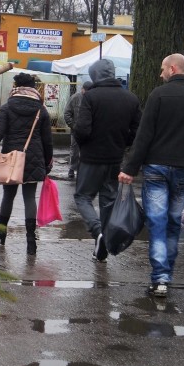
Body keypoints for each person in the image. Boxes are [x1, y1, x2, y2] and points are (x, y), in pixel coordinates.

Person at [118, 53, 184, 298]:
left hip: (156, 168)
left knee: (157, 222)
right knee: (173, 222)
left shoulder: (158, 96)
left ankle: (160, 278)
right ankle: (165, 274)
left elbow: (145, 135)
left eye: (162, 69)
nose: (160, 75)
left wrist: (129, 168)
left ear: (172, 69)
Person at [73, 58, 141, 262]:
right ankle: (102, 248)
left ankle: (97, 232)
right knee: (108, 200)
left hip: (91, 158)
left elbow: (82, 129)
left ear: (95, 75)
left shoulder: (91, 97)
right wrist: (123, 142)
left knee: (83, 197)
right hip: (115, 158)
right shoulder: (130, 98)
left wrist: (82, 143)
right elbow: (137, 130)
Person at [0, 72, 53, 255]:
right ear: (33, 88)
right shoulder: (40, 109)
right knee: (29, 198)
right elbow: (47, 140)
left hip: (11, 157)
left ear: (15, 86)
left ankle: (1, 232)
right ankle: (30, 240)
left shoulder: (7, 107)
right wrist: (48, 161)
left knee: (8, 196)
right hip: (33, 157)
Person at [63, 81, 92, 180]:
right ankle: (72, 169)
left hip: (89, 131)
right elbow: (67, 113)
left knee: (87, 151)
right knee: (74, 150)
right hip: (76, 131)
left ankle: (84, 170)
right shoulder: (75, 98)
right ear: (82, 89)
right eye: (86, 90)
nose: (87, 93)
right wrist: (73, 126)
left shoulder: (93, 99)